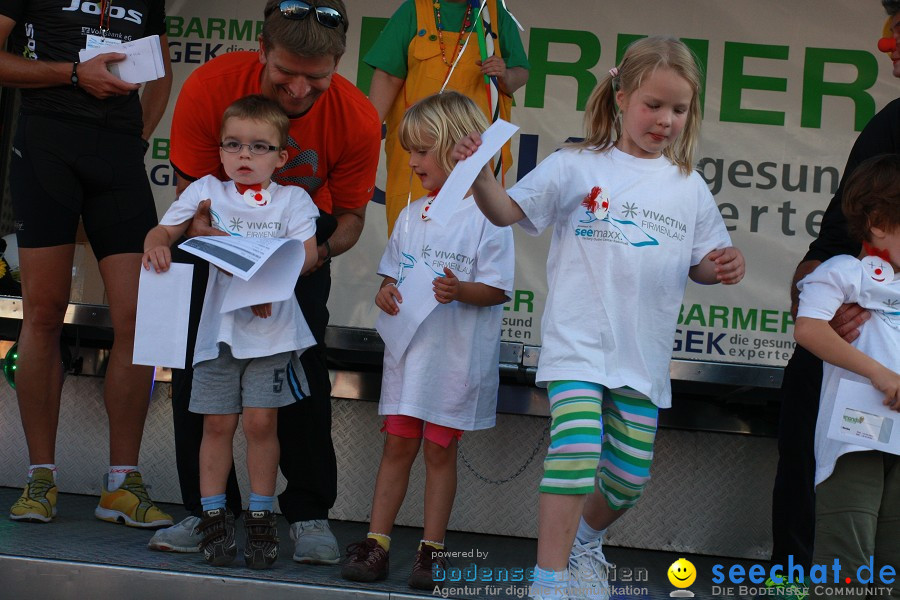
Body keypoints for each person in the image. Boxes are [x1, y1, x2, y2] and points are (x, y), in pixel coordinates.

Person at [453, 36, 746, 600]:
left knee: (628, 479)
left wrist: (721, 265)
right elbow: (507, 212)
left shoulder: (688, 187)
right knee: (578, 447)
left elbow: (702, 266)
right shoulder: (575, 165)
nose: (665, 120)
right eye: (653, 105)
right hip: (578, 344)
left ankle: (585, 541)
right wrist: (482, 175)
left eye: (679, 109)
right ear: (620, 96)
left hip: (642, 355)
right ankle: (548, 579)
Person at [147, 0, 381, 563]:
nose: (300, 90)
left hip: (298, 240)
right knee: (202, 378)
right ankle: (209, 515)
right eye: (286, 74)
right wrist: (195, 237)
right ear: (262, 51)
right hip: (219, 234)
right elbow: (194, 197)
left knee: (298, 380)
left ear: (339, 61)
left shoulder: (357, 115)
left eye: (316, 78)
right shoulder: (210, 87)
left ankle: (307, 515)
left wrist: (313, 256)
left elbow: (350, 218)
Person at [1, 0, 174, 527]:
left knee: (139, 319)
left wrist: (137, 137)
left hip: (117, 154)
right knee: (44, 313)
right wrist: (73, 73)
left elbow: (160, 70)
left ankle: (121, 484)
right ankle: (41, 477)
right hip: (47, 144)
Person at [339, 91, 514, 590]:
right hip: (407, 358)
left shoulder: (490, 213)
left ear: (459, 149)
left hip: (452, 361)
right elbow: (391, 279)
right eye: (408, 151)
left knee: (439, 452)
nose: (412, 162)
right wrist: (386, 293)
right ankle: (377, 543)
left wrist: (461, 290)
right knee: (397, 445)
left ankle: (431, 551)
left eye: (421, 150)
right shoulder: (411, 215)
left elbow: (498, 287)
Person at [143, 95, 319, 569]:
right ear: (219, 151)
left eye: (259, 147)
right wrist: (158, 247)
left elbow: (309, 257)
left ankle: (261, 518)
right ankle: (214, 517)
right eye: (234, 145)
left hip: (273, 333)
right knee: (216, 423)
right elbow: (163, 232)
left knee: (262, 423)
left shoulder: (293, 199)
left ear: (282, 157)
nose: (245, 155)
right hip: (216, 335)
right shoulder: (205, 190)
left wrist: (261, 277)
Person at [771, 0, 900, 576]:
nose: (886, 46)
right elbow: (832, 240)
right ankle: (795, 583)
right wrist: (824, 304)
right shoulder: (893, 123)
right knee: (825, 491)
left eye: (898, 27)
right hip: (859, 361)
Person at [793, 153, 900, 599]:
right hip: (854, 437)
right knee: (848, 561)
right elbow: (809, 328)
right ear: (877, 222)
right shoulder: (841, 272)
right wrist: (879, 374)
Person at [365, 0, 529, 234]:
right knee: (412, 235)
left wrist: (504, 74)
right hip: (420, 153)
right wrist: (367, 132)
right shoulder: (414, 9)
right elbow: (388, 76)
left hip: (474, 152)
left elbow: (519, 73)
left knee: (472, 236)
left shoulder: (494, 11)